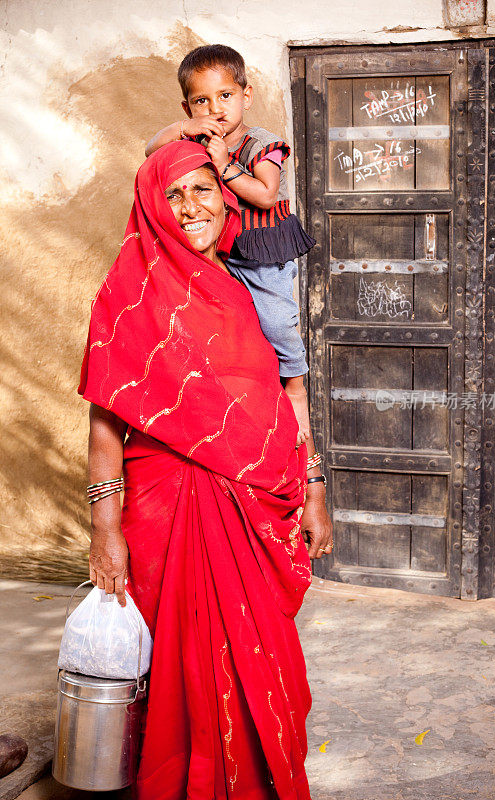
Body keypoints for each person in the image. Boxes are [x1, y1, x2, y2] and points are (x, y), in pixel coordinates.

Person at [79, 139, 332, 799]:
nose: (192, 206)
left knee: (265, 662)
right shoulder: (131, 288)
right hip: (171, 511)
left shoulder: (241, 281)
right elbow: (106, 417)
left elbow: (280, 394)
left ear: (224, 196)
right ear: (152, 206)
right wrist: (105, 526)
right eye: (174, 194)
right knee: (183, 675)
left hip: (252, 507)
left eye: (202, 189)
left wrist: (311, 486)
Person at [145, 44, 315, 447]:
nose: (215, 108)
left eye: (225, 96)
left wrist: (224, 166)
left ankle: (294, 385)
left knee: (274, 321)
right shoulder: (198, 137)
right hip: (224, 250)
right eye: (201, 101)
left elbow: (265, 195)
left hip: (261, 254)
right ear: (188, 109)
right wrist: (181, 132)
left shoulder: (261, 144)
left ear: (246, 96)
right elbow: (151, 149)